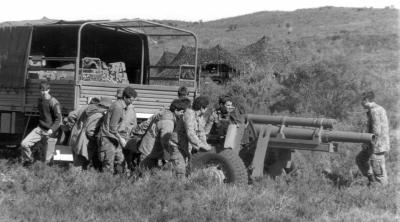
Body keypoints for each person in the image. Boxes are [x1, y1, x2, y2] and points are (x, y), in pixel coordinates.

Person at [138, 99, 189, 172]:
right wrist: (172, 155)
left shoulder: (166, 115)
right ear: (176, 110)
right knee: (144, 175)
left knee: (147, 174)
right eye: (181, 112)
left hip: (149, 149)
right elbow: (165, 141)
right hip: (149, 153)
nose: (182, 114)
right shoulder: (168, 122)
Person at [20, 81, 62, 165]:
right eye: (41, 90)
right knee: (24, 144)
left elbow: (59, 120)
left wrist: (52, 130)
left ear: (48, 90)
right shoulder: (40, 101)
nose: (43, 92)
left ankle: (44, 171)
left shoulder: (54, 102)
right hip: (40, 129)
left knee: (47, 158)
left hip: (50, 132)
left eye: (44, 90)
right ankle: (29, 160)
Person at [97, 86, 137, 174]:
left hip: (114, 138)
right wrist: (121, 139)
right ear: (125, 97)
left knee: (120, 162)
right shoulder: (118, 107)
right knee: (108, 165)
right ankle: (107, 184)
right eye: (130, 100)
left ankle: (117, 183)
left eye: (133, 100)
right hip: (108, 138)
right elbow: (112, 128)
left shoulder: (125, 107)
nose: (131, 102)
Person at [356, 91, 390, 186]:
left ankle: (382, 189)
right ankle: (371, 180)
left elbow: (376, 131)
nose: (361, 103)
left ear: (366, 100)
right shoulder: (379, 109)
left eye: (361, 101)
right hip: (376, 144)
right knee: (361, 159)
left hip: (377, 145)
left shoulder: (374, 111)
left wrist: (367, 142)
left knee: (377, 168)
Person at [68, 97, 112, 170]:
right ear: (107, 106)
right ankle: (73, 180)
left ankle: (77, 179)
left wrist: (74, 126)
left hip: (77, 137)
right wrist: (96, 139)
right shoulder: (99, 115)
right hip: (85, 142)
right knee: (79, 164)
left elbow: (71, 115)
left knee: (79, 162)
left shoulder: (88, 108)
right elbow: (90, 131)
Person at [116, 88, 138, 173]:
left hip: (126, 137)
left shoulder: (130, 108)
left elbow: (133, 123)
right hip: (120, 137)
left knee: (125, 159)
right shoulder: (118, 107)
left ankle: (124, 177)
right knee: (120, 159)